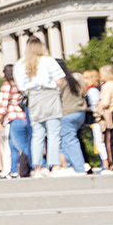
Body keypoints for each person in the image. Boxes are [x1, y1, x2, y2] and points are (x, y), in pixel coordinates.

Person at [17, 37, 77, 176]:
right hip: (50, 95)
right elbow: (60, 80)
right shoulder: (49, 60)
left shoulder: (22, 64)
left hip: (34, 97)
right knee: (53, 133)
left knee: (37, 134)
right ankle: (54, 165)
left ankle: (37, 167)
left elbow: (21, 85)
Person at [0, 65, 29, 178]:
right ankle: (13, 170)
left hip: (12, 116)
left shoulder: (7, 85)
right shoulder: (20, 84)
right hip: (23, 116)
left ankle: (39, 164)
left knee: (17, 146)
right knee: (14, 145)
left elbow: (4, 104)